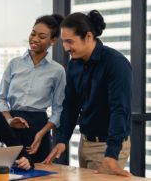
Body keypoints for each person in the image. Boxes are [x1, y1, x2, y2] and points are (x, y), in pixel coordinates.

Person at [43, 10, 132, 177]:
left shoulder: (116, 63)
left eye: (70, 42)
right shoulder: (74, 65)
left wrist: (112, 154)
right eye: (64, 42)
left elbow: (119, 111)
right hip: (85, 144)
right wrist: (62, 140)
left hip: (108, 146)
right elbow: (71, 105)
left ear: (88, 37)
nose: (65, 47)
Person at [0, 14, 66, 162]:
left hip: (39, 127)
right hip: (13, 125)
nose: (34, 39)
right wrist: (9, 120)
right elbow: (0, 97)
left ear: (53, 40)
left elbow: (58, 109)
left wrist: (41, 134)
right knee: (9, 171)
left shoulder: (58, 71)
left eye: (41, 37)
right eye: (33, 34)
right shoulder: (14, 64)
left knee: (39, 174)